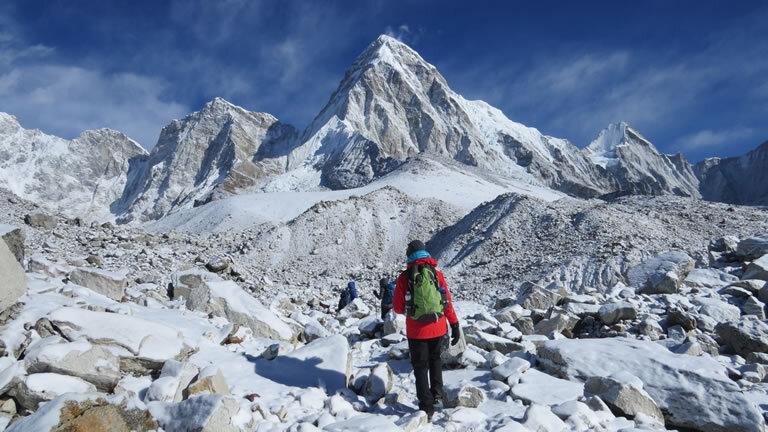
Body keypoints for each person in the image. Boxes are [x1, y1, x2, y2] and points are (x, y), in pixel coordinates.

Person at [393, 240, 460, 421]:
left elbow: (398, 309)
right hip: (438, 328)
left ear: (409, 255)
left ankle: (426, 406)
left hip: (416, 332)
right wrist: (454, 324)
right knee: (435, 360)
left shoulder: (404, 278)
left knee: (420, 368)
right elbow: (447, 303)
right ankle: (437, 395)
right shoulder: (436, 274)